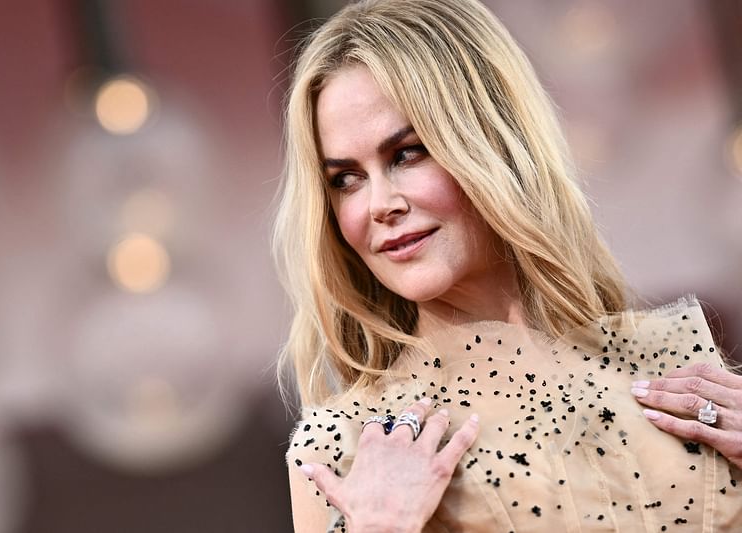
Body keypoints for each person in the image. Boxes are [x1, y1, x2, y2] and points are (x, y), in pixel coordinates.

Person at [272, 0, 742, 531]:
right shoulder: (346, 444)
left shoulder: (674, 375)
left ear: (491, 141)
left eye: (406, 153)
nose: (379, 204)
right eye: (345, 179)